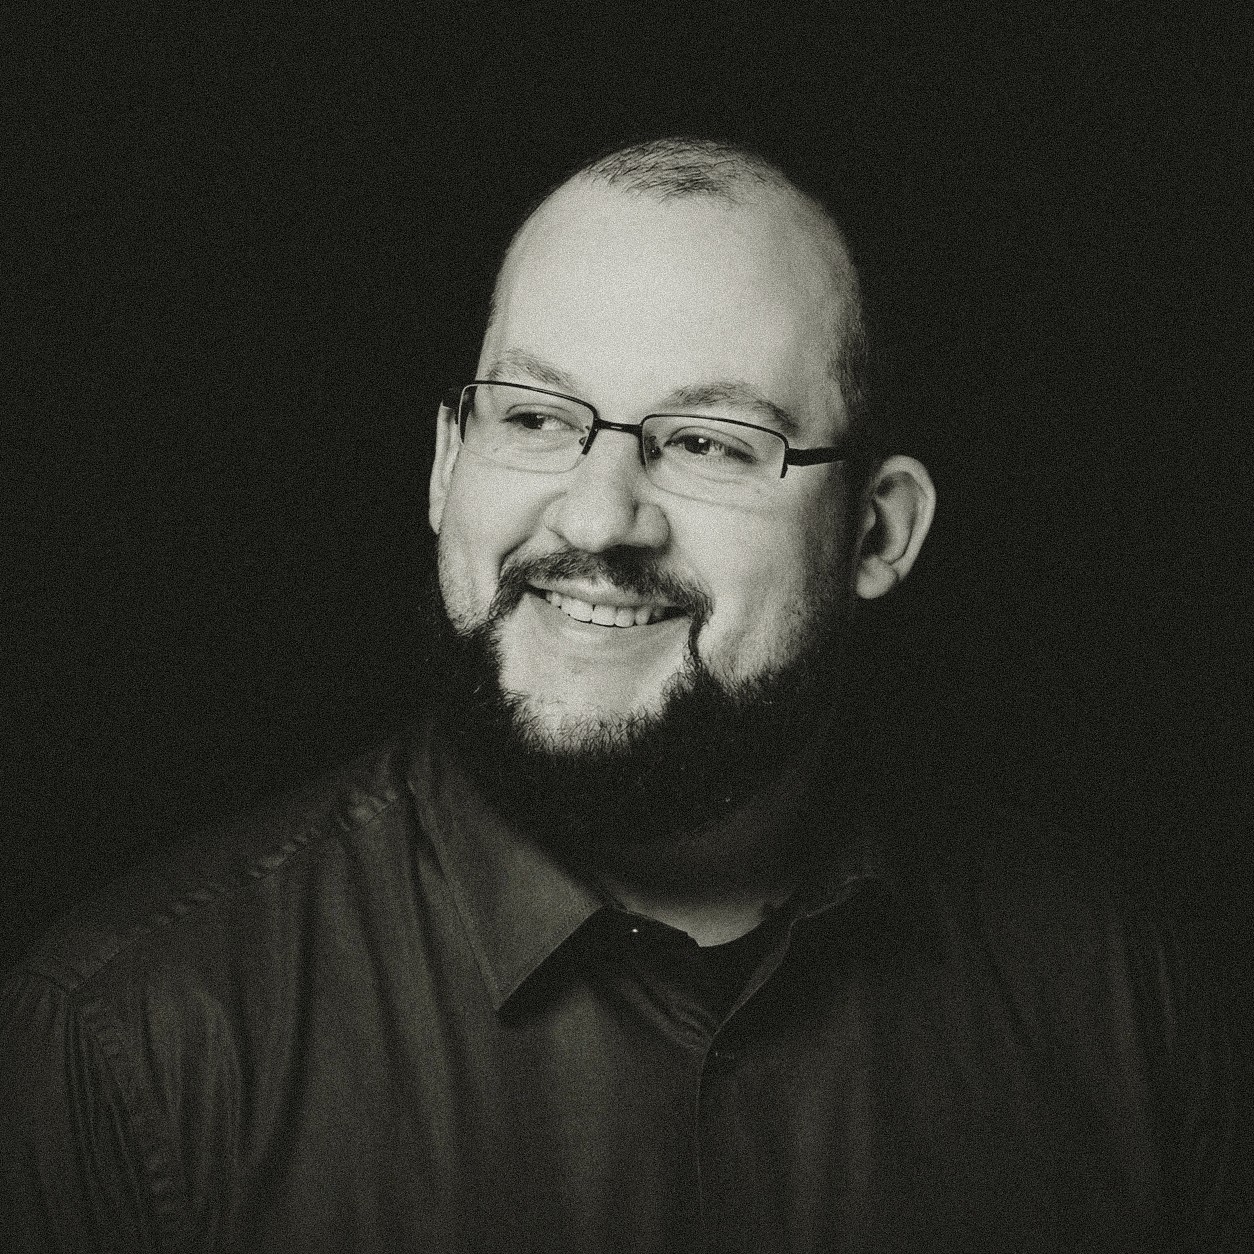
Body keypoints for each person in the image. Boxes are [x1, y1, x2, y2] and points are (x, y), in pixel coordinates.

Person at [1, 137, 1245, 1251]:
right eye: (536, 418)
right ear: (446, 466)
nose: (598, 517)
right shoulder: (131, 1047)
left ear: (878, 534)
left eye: (707, 442)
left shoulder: (1125, 1007)